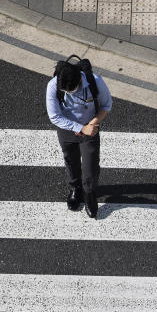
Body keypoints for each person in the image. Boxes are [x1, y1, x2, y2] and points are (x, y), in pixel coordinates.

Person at [45, 55, 113, 218]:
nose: (68, 93)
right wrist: (79, 127)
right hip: (67, 130)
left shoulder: (95, 81)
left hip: (90, 129)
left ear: (80, 81)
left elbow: (106, 105)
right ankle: (75, 188)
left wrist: (91, 124)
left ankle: (89, 194)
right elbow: (54, 116)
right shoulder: (53, 86)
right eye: (65, 92)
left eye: (71, 90)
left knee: (90, 166)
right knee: (70, 160)